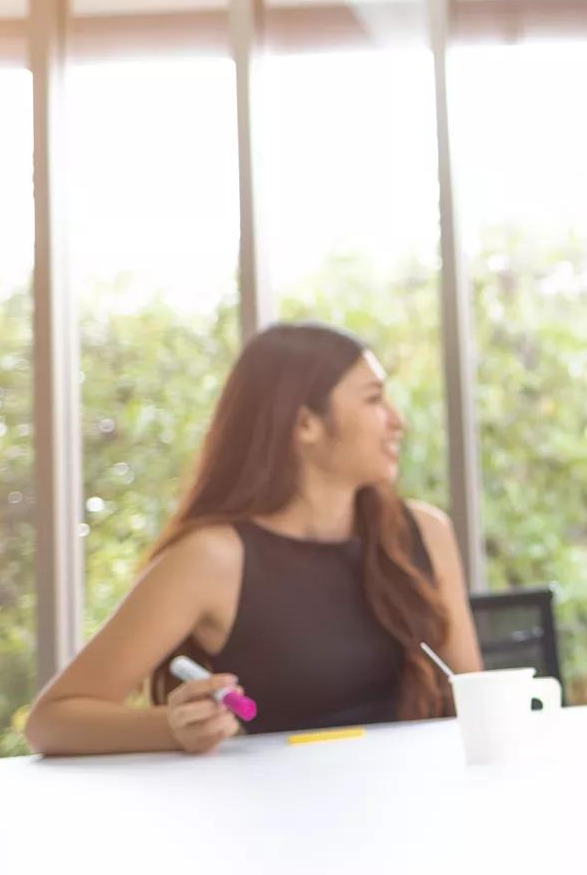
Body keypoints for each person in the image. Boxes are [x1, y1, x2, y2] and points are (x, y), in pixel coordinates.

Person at [25, 322, 484, 755]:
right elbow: (51, 721)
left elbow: (475, 698)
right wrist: (172, 727)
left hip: (421, 806)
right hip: (283, 824)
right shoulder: (213, 558)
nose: (396, 420)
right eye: (374, 400)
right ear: (305, 424)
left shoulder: (424, 532)